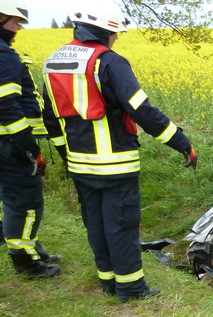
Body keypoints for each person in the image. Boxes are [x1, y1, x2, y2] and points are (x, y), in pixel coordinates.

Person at [42, 2, 198, 301]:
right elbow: (141, 110)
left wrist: (65, 156)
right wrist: (180, 142)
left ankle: (108, 282)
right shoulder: (109, 62)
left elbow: (51, 119)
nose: (116, 40)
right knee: (122, 225)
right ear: (105, 30)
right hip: (115, 164)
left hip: (79, 164)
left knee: (96, 223)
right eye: (115, 34)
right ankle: (131, 287)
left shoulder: (53, 62)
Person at [0, 0, 60, 278]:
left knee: (15, 199)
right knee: (25, 202)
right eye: (15, 21)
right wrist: (30, 147)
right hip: (11, 143)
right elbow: (7, 106)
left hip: (7, 143)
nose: (19, 28)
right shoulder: (3, 55)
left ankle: (33, 250)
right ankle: (25, 261)